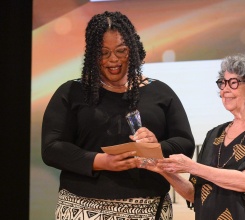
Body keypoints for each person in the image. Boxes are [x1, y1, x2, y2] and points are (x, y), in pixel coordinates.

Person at [41, 11, 195, 220]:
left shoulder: (160, 92)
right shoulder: (72, 92)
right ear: (92, 56)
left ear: (133, 50)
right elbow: (52, 148)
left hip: (148, 209)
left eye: (121, 51)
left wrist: (156, 147)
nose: (113, 59)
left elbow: (185, 142)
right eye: (103, 53)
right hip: (82, 209)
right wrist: (99, 161)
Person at [138, 53, 245, 220]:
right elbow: (193, 194)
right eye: (222, 83)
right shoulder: (215, 134)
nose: (225, 89)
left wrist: (191, 166)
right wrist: (162, 169)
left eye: (233, 82)